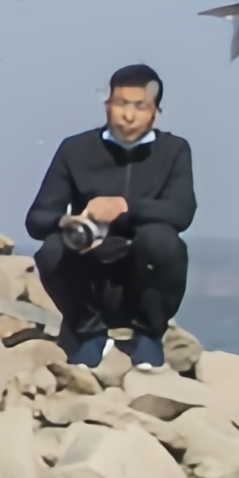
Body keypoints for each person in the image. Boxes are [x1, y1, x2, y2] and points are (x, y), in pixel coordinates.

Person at [26, 65, 196, 368]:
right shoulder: (75, 149)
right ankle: (88, 333)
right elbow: (38, 218)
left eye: (139, 106)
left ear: (155, 111)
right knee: (52, 248)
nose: (128, 116)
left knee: (162, 239)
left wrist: (124, 206)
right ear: (107, 104)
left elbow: (181, 212)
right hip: (91, 282)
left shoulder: (174, 150)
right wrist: (70, 222)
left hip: (144, 282)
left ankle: (148, 335)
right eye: (120, 104)